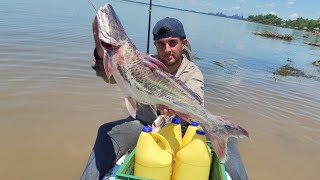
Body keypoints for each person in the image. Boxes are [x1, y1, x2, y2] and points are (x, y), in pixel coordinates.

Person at [81, 16, 247, 180]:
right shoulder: (142, 64)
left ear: (184, 43)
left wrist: (172, 110)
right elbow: (108, 75)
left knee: (230, 142)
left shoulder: (193, 72)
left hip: (180, 130)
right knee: (106, 131)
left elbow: (196, 105)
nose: (167, 49)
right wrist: (99, 44)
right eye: (161, 44)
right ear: (155, 45)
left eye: (172, 43)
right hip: (144, 126)